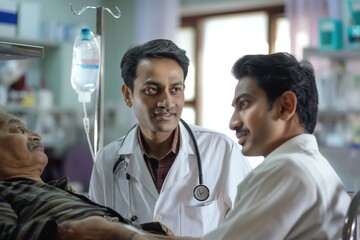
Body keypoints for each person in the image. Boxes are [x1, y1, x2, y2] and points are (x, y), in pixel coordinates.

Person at [61, 52, 351, 240]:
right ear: (128, 95)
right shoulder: (305, 165)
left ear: (286, 106)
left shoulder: (288, 171)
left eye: (244, 105)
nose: (233, 122)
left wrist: (122, 235)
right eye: (152, 90)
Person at [88, 39, 253, 237]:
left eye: (175, 89)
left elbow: (251, 229)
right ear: (128, 95)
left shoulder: (221, 150)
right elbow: (98, 233)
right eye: (152, 89)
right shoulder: (108, 160)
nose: (167, 102)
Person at [0, 110, 173, 240]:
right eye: (18, 130)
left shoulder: (57, 191)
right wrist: (68, 231)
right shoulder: (6, 192)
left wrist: (150, 231)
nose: (36, 135)